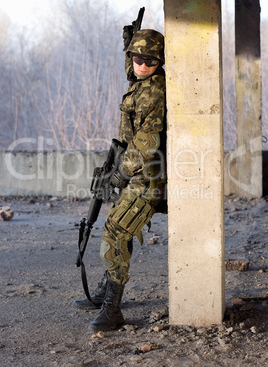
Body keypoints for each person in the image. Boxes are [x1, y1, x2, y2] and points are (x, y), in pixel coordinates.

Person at [73, 27, 166, 332]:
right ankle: (104, 292)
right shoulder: (140, 81)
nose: (142, 64)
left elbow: (145, 142)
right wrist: (127, 44)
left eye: (150, 60)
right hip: (136, 172)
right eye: (137, 57)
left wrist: (120, 174)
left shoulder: (155, 91)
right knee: (117, 227)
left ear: (160, 61)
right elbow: (132, 70)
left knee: (115, 231)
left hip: (147, 175)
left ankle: (113, 308)